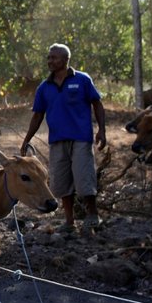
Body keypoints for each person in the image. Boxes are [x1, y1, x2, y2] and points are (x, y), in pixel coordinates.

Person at [20, 43, 107, 233]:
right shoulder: (44, 87)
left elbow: (97, 104)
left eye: (54, 58)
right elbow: (37, 115)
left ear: (66, 60)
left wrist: (102, 130)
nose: (50, 61)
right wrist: (27, 139)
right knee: (61, 181)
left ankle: (92, 215)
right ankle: (69, 221)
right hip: (57, 140)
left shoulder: (83, 80)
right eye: (49, 58)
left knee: (84, 178)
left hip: (81, 138)